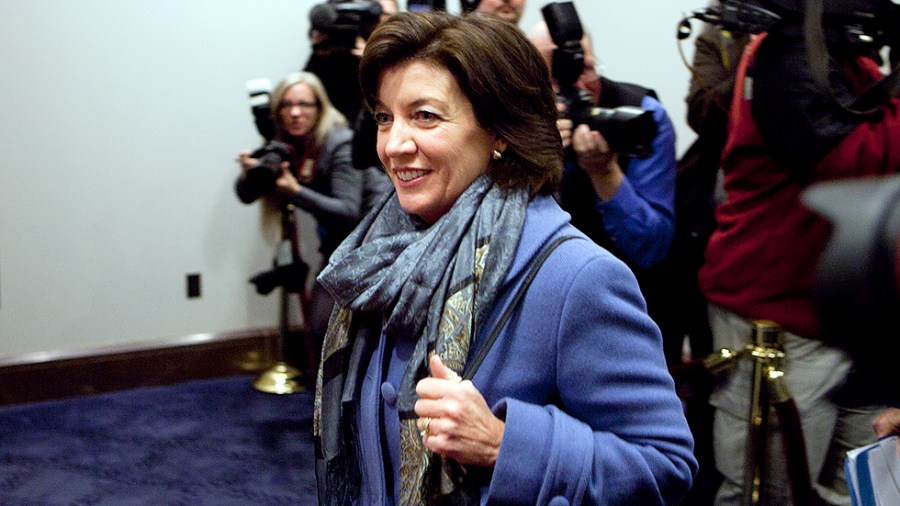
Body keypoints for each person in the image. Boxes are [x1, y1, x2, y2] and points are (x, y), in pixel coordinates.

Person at [312, 10, 696, 505]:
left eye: (424, 116)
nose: (394, 145)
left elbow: (665, 466)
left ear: (499, 132)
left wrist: (502, 443)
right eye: (386, 117)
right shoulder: (375, 258)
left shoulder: (577, 278)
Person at [697, 18, 900, 506]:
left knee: (858, 491)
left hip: (842, 323)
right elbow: (856, 160)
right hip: (780, 323)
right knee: (768, 494)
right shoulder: (787, 55)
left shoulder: (845, 56)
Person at [526, 21, 678, 339]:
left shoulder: (642, 115)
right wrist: (533, 152)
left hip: (630, 307)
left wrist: (605, 173)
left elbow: (653, 246)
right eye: (556, 78)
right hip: (541, 308)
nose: (578, 84)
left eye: (586, 67)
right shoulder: (518, 122)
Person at [235, 71, 363, 355]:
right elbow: (245, 195)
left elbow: (349, 212)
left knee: (322, 327)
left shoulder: (338, 143)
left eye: (305, 104)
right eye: (287, 105)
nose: (295, 113)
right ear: (277, 111)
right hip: (336, 247)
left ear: (320, 108)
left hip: (368, 244)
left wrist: (295, 192)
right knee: (321, 329)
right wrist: (248, 176)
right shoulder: (288, 145)